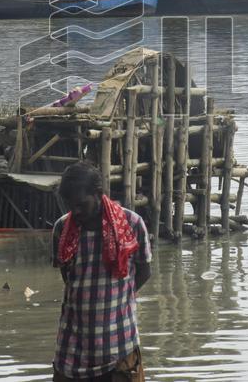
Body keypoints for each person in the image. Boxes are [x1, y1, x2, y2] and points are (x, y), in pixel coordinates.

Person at [52, 162, 152, 381]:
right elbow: (68, 279)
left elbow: (144, 272)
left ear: (98, 194)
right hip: (73, 348)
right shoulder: (62, 228)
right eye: (71, 205)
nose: (76, 211)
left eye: (81, 204)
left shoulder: (132, 224)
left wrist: (117, 299)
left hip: (119, 346)